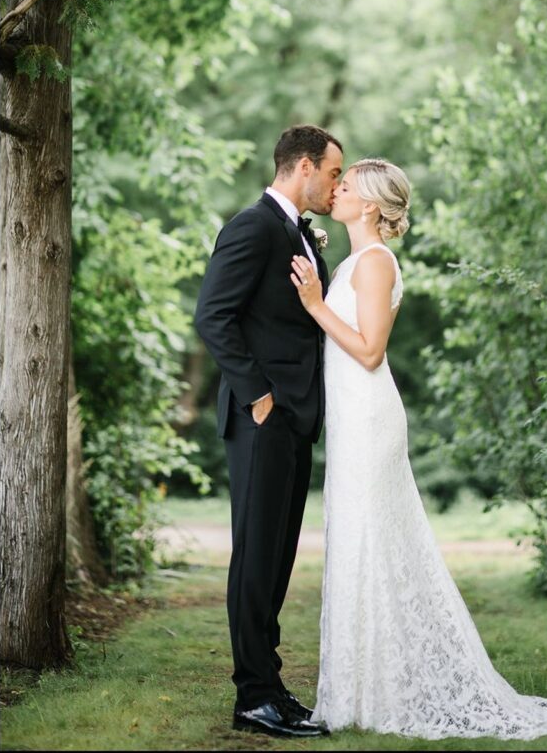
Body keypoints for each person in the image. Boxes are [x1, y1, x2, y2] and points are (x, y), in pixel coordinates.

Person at [289, 157, 547, 742]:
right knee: (355, 541)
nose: (336, 190)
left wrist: (314, 306)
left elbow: (368, 352)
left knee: (373, 543)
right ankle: (360, 688)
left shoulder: (378, 263)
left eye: (347, 185)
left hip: (370, 417)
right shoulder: (357, 260)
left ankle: (382, 691)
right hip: (350, 421)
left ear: (370, 205)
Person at [194, 124, 343, 739]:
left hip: (294, 421)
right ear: (303, 167)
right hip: (263, 419)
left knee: (276, 560)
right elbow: (213, 316)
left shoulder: (297, 231)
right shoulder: (253, 225)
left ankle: (271, 687)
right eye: (334, 173)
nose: (337, 185)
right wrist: (257, 395)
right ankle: (252, 696)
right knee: (255, 558)